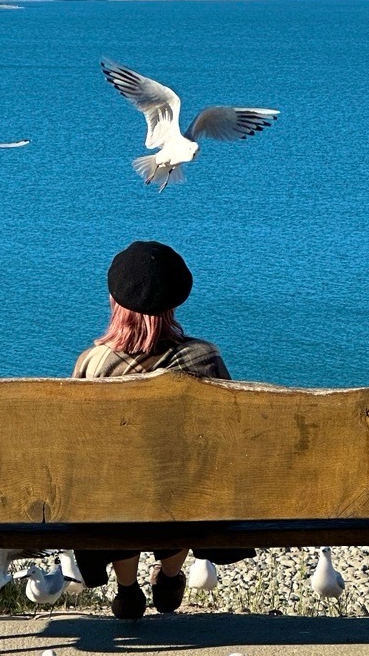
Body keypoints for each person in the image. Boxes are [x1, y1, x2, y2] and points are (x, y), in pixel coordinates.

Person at [72, 239, 254, 621]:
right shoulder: (205, 358)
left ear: (114, 302)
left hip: (115, 504)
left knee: (115, 481)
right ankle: (169, 576)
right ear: (175, 302)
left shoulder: (94, 364)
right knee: (184, 477)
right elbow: (230, 437)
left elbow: (77, 451)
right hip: (187, 502)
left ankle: (127, 589)